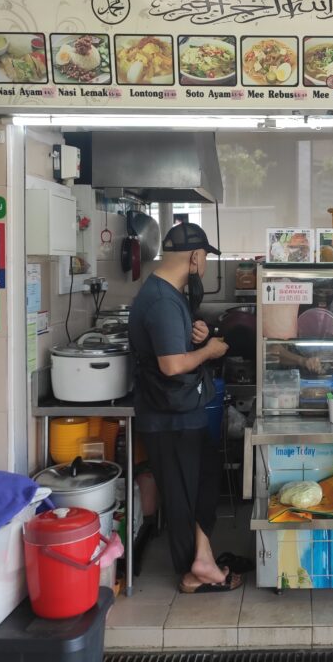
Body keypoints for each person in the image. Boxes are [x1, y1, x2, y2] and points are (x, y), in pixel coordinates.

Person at [128, 223, 237, 593]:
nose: (204, 263)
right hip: (167, 416)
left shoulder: (169, 294)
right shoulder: (161, 299)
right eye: (205, 256)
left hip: (180, 411)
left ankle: (202, 559)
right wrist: (210, 351)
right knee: (181, 494)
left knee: (203, 479)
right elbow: (172, 365)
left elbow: (174, 346)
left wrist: (198, 334)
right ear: (194, 256)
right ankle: (194, 572)